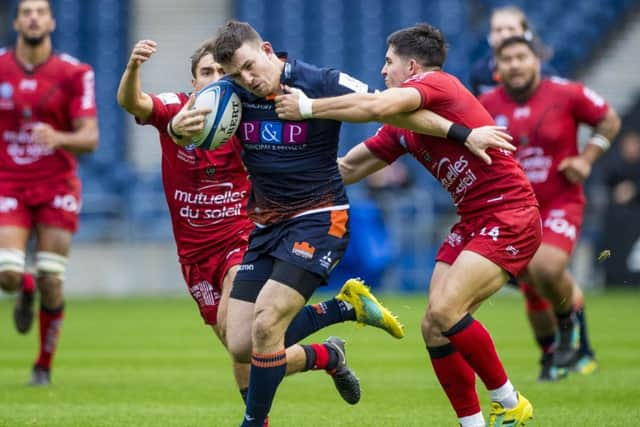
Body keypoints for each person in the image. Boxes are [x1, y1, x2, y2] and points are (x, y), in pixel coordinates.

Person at [116, 37, 405, 426]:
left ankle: (256, 421)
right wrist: (166, 116)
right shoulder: (178, 110)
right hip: (195, 254)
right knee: (242, 347)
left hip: (242, 236)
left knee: (262, 328)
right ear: (192, 81)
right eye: (208, 73)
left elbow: (341, 114)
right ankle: (330, 346)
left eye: (225, 73)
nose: (219, 80)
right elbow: (134, 104)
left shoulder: (242, 112)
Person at [276, 23, 541, 427]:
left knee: (447, 310)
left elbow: (377, 106)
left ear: (412, 67)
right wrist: (278, 178)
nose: (383, 71)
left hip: (509, 212)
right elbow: (347, 168)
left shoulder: (439, 83)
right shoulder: (405, 127)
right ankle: (472, 424)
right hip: (473, 218)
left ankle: (510, 402)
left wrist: (309, 107)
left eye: (388, 62)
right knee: (434, 327)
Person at [470, 5, 600, 381]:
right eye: (497, 31)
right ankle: (554, 357)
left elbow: (581, 116)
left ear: (530, 39)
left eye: (511, 29)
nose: (503, 36)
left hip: (553, 195)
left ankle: (578, 345)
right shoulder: (480, 81)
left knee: (546, 271)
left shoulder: (550, 82)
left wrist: (585, 157)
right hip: (511, 198)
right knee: (531, 284)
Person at [0, 0, 99, 386]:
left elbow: (90, 138)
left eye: (41, 11)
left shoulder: (75, 72)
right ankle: (23, 289)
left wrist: (57, 137)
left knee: (51, 278)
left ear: (52, 21)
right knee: (8, 273)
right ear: (16, 21)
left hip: (57, 183)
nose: (34, 17)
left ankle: (42, 366)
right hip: (9, 182)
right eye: (27, 12)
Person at [469, 5, 556, 96]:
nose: (505, 35)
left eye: (511, 29)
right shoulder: (479, 73)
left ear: (526, 34)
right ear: (490, 35)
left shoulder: (545, 74)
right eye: (498, 30)